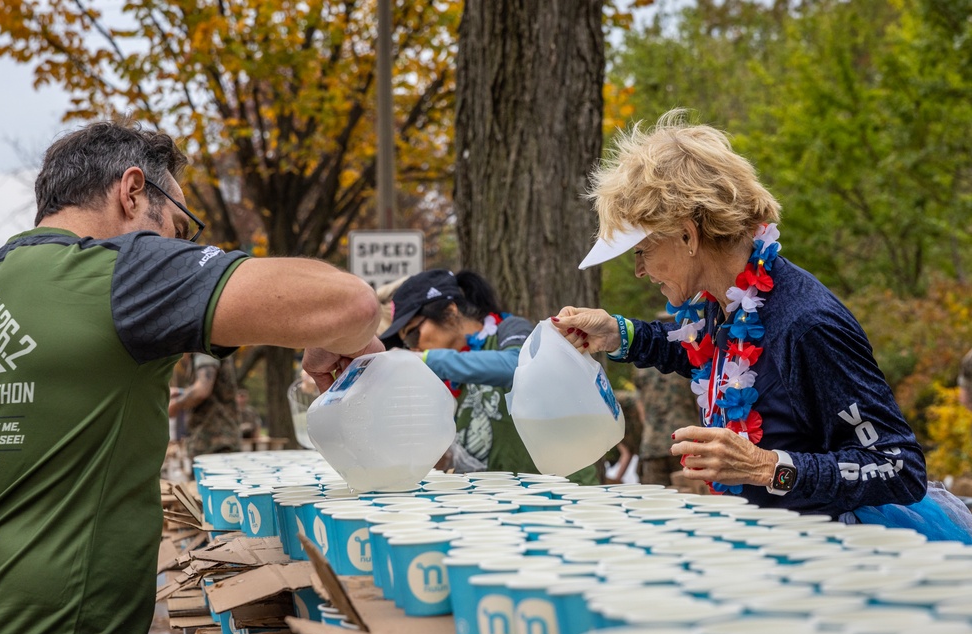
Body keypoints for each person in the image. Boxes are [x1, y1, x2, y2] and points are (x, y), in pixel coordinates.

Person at [0, 121, 382, 634]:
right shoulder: (121, 270)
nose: (179, 247)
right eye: (184, 231)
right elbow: (351, 303)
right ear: (133, 190)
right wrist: (328, 337)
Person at [551, 110, 971, 538]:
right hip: (772, 550)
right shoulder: (727, 304)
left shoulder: (807, 325)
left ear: (687, 236)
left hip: (839, 560)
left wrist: (767, 466)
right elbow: (707, 354)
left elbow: (898, 467)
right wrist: (617, 334)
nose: (639, 270)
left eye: (641, 251)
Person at [378, 269, 599, 483]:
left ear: (451, 311)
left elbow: (518, 366)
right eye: (407, 343)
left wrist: (427, 359)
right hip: (502, 499)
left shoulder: (510, 329)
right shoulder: (442, 374)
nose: (414, 347)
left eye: (413, 334)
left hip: (564, 490)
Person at [632, 315, 701, 486]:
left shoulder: (642, 369)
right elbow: (702, 404)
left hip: (651, 445)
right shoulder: (690, 359)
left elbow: (640, 409)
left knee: (655, 505)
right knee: (691, 503)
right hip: (686, 442)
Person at [169, 352, 242, 457]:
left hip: (215, 444)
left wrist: (174, 405)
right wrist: (182, 393)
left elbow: (202, 390)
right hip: (215, 442)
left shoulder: (205, 348)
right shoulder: (210, 347)